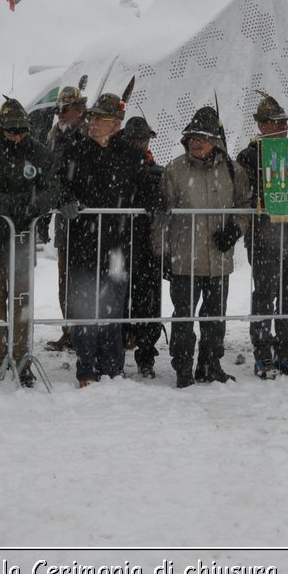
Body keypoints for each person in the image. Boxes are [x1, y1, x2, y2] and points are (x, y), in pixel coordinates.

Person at [0, 97, 57, 386]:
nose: (18, 136)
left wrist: (31, 205)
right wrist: (10, 205)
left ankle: (21, 359)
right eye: (12, 130)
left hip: (22, 242)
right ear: (1, 127)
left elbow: (53, 189)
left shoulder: (39, 153)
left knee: (22, 303)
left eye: (22, 130)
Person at [154, 105, 250, 388]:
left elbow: (244, 205)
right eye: (192, 137)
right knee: (183, 318)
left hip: (219, 260)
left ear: (215, 141)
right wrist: (162, 255)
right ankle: (183, 369)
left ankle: (210, 365)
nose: (195, 142)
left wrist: (235, 230)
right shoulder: (174, 170)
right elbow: (162, 217)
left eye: (202, 137)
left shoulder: (234, 171)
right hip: (184, 259)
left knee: (215, 317)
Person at [58, 92, 147, 385]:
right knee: (85, 310)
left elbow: (148, 188)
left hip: (118, 246)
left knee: (113, 309)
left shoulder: (132, 155)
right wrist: (66, 199)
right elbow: (58, 184)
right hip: (83, 243)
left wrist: (158, 204)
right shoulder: (74, 150)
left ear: (117, 123)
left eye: (100, 118)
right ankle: (86, 369)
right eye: (92, 116)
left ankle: (113, 368)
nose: (93, 122)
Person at [236, 93, 288, 378]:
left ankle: (285, 353)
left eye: (283, 122)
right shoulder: (248, 156)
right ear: (263, 125)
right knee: (265, 295)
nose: (283, 127)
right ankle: (262, 353)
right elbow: (244, 197)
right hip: (264, 238)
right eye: (276, 122)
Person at [42, 85, 87, 352]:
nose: (60, 114)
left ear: (78, 110)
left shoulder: (90, 134)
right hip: (65, 218)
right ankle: (70, 330)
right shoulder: (54, 137)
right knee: (66, 279)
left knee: (89, 279)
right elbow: (52, 176)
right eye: (58, 110)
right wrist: (60, 199)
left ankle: (89, 332)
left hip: (89, 217)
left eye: (65, 109)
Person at [119, 115, 165, 378]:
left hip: (148, 248)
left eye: (143, 138)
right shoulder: (117, 170)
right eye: (134, 138)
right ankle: (116, 356)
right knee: (120, 302)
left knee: (149, 304)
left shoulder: (157, 172)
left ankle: (146, 356)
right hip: (120, 247)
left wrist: (160, 202)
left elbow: (165, 200)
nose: (139, 143)